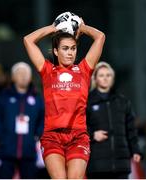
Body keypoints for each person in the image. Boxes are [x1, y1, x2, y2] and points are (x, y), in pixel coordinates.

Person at [23, 17, 105, 179]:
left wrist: (83, 27)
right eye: (65, 48)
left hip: (78, 136)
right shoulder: (47, 70)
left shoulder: (84, 70)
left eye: (73, 48)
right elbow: (28, 40)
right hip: (52, 137)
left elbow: (100, 37)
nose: (70, 53)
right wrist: (53, 28)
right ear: (55, 51)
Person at [86, 62, 142, 179]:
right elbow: (79, 127)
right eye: (101, 75)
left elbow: (131, 129)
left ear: (112, 78)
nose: (105, 78)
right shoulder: (87, 102)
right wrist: (92, 135)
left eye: (108, 75)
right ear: (95, 78)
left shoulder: (123, 102)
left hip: (121, 164)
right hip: (97, 164)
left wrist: (135, 150)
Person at [0, 62, 44, 179]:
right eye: (20, 73)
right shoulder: (3, 97)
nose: (23, 76)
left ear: (30, 77)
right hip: (6, 150)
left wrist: (37, 135)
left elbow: (43, 118)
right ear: (13, 77)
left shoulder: (37, 98)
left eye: (26, 73)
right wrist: (1, 135)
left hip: (29, 151)